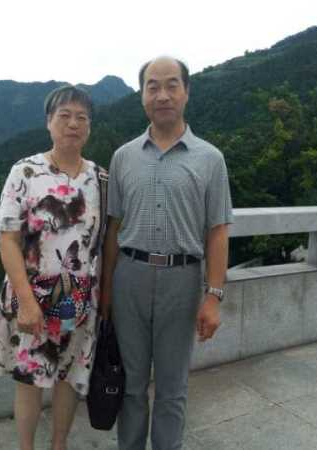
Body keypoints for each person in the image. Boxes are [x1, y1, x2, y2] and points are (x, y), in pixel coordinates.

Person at [101, 56, 233, 450]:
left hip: (183, 278)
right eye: (153, 86)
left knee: (173, 387)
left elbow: (218, 231)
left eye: (172, 85)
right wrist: (106, 291)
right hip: (130, 277)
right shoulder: (124, 157)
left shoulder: (210, 159)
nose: (162, 95)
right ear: (142, 95)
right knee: (131, 384)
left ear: (186, 91)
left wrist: (213, 295)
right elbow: (113, 229)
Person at [0, 85, 106, 450]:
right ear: (49, 122)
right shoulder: (25, 171)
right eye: (64, 116)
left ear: (89, 126)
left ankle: (59, 445)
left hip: (80, 296)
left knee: (71, 377)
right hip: (32, 293)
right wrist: (26, 301)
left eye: (82, 117)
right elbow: (8, 240)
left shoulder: (100, 179)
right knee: (29, 380)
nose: (73, 124)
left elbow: (104, 241)